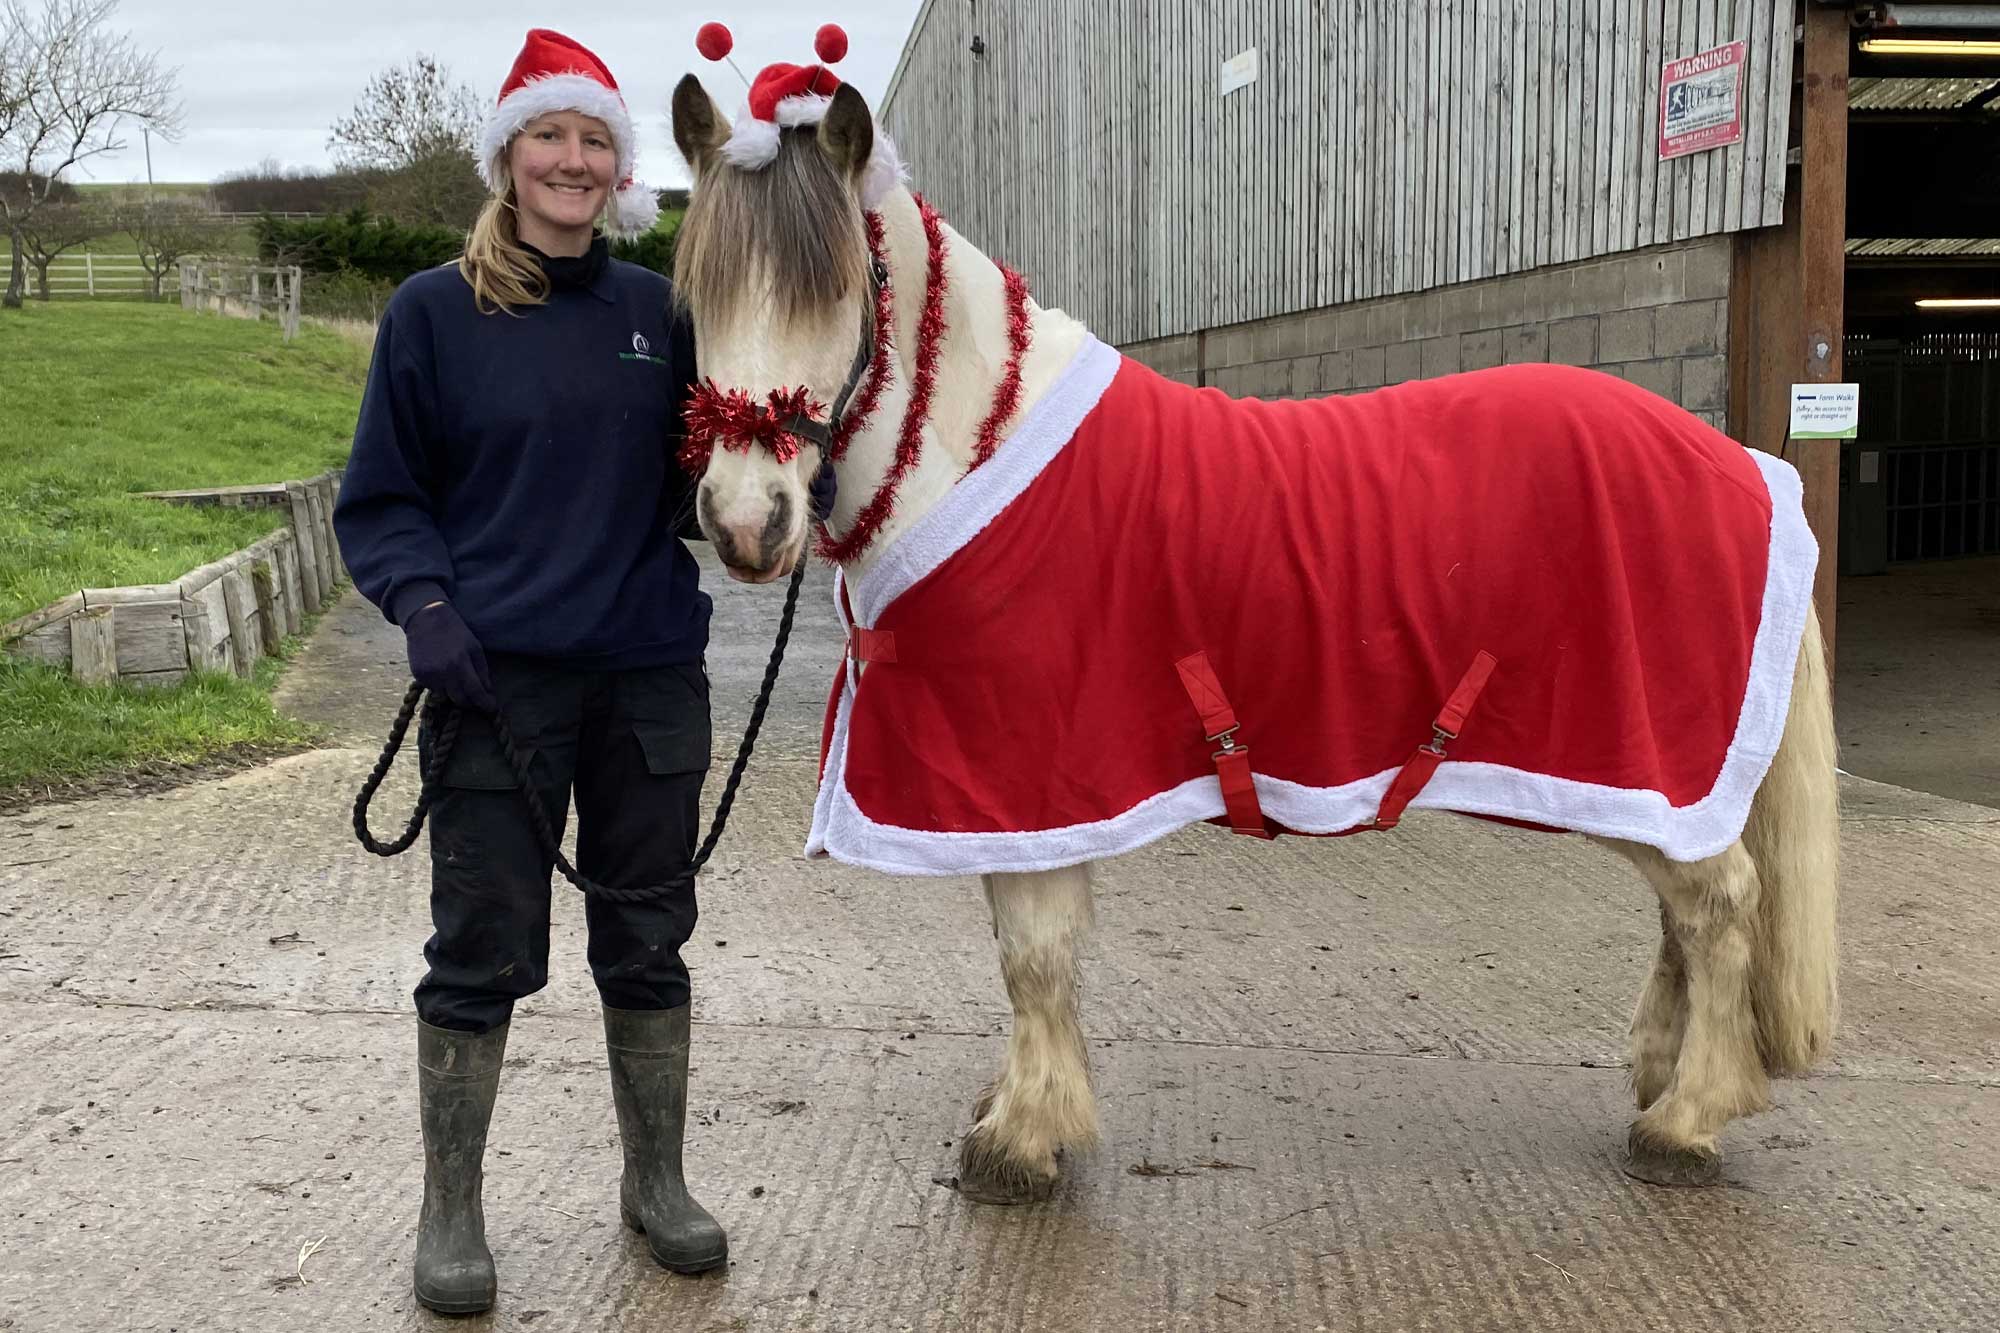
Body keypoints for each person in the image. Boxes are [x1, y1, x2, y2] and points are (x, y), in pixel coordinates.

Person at [333, 28, 729, 1314]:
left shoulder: (662, 313)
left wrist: (775, 497)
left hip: (646, 679)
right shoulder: (433, 313)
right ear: (507, 155)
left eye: (594, 141)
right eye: (550, 137)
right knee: (480, 944)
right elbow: (383, 499)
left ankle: (655, 1185)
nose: (573, 159)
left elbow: (705, 478)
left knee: (648, 938)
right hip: (494, 687)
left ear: (618, 170)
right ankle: (451, 1210)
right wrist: (425, 602)